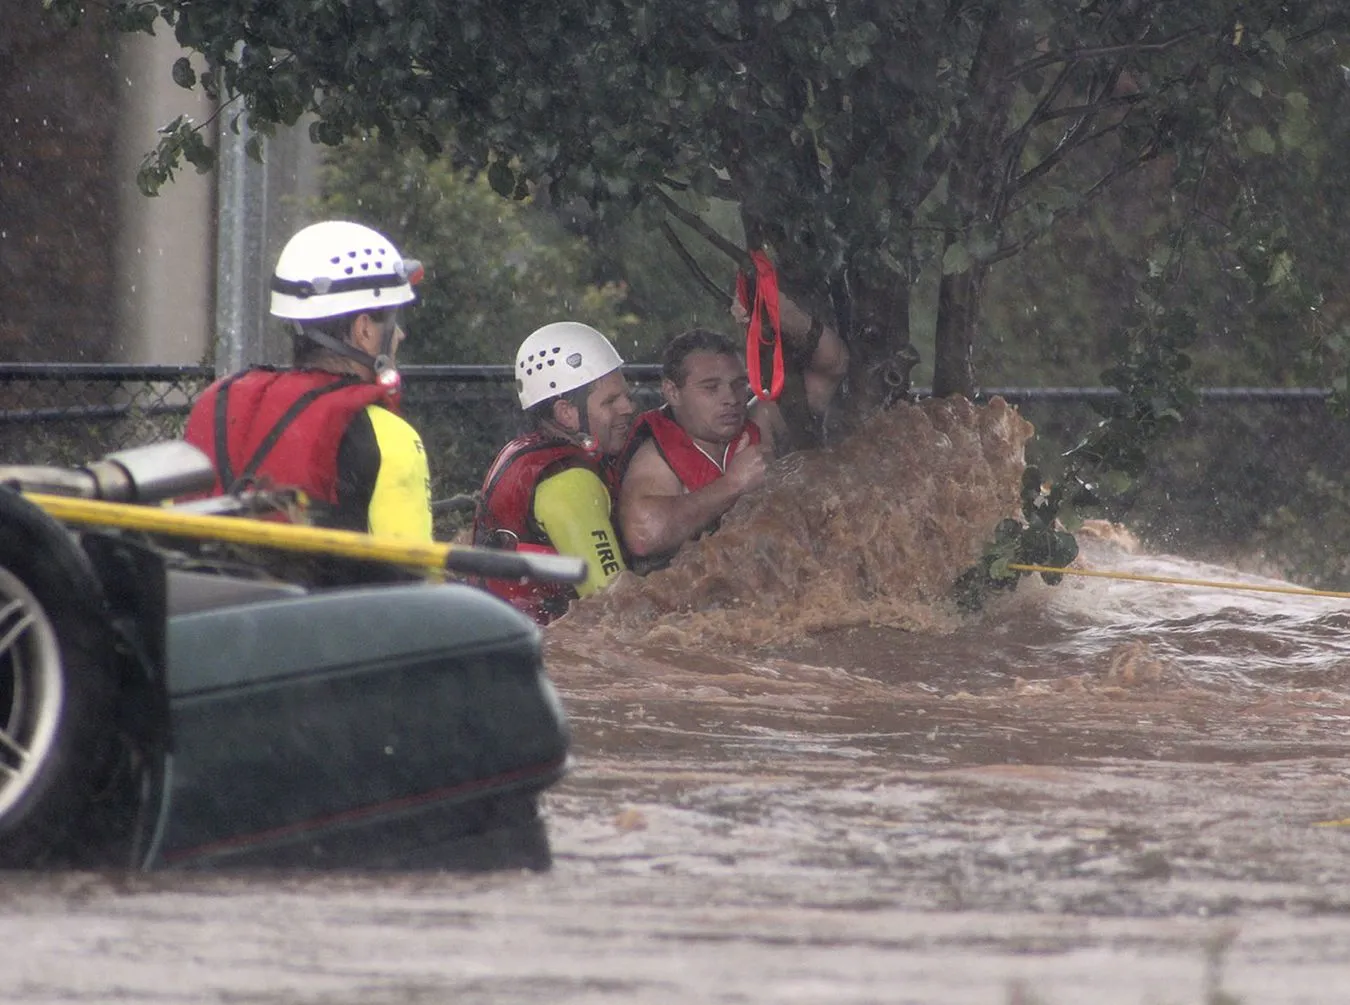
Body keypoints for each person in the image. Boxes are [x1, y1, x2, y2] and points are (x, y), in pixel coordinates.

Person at [183, 220, 433, 556]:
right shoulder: (391, 437)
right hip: (329, 608)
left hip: (212, 601)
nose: (400, 335)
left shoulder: (219, 403)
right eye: (391, 321)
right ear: (363, 330)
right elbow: (416, 578)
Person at [472, 322, 636, 623]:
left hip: (506, 633)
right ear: (566, 413)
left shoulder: (523, 451)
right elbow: (614, 604)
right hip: (542, 648)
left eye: (626, 395)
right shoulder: (570, 482)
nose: (628, 407)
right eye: (611, 401)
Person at [616, 329, 770, 573]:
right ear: (672, 392)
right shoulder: (654, 458)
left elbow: (826, 375)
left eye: (738, 385)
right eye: (711, 388)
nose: (731, 398)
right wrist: (733, 484)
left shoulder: (759, 423)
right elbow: (643, 536)